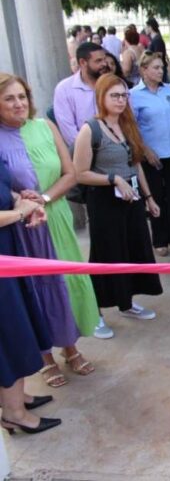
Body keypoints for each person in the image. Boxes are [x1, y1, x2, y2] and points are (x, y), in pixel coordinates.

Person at [0, 73, 98, 384]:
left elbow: (71, 173)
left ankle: (70, 347)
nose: (19, 104)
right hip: (23, 229)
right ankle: (45, 355)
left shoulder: (45, 126)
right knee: (36, 290)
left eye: (22, 96)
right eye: (9, 98)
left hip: (54, 216)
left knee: (66, 283)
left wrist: (43, 198)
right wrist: (23, 204)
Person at [73, 74, 163, 328]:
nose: (121, 100)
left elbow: (135, 164)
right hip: (104, 202)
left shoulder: (127, 126)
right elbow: (80, 173)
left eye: (124, 95)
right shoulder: (90, 129)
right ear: (101, 97)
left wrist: (148, 197)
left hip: (131, 198)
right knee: (106, 255)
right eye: (115, 95)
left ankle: (126, 301)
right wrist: (113, 179)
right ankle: (96, 314)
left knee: (132, 249)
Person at [0, 157, 60, 435]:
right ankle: (13, 413)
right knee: (9, 333)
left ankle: (15, 399)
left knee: (18, 326)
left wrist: (22, 199)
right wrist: (22, 212)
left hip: (8, 251)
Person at [131, 51, 170, 257]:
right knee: (155, 197)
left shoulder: (169, 90)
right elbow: (132, 127)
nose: (160, 71)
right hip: (151, 155)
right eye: (155, 67)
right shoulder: (134, 95)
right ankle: (160, 240)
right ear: (143, 70)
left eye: (162, 67)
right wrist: (145, 150)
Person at [54, 42, 109, 147]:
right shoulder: (64, 89)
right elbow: (68, 131)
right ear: (83, 62)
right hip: (83, 153)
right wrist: (87, 151)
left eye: (104, 59)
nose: (104, 64)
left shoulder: (115, 85)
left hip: (116, 150)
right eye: (98, 61)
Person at [145, 18, 169, 82]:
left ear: (150, 27)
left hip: (159, 68)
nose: (145, 29)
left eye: (146, 27)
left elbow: (159, 55)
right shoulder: (154, 39)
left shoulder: (157, 40)